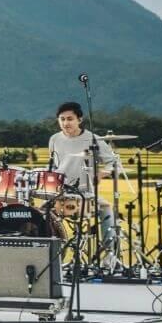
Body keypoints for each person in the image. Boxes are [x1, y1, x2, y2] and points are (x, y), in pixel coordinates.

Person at [48, 100, 124, 256]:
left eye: (70, 119)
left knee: (105, 207)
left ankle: (111, 254)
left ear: (79, 120)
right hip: (60, 192)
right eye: (62, 119)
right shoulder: (54, 139)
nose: (65, 123)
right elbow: (54, 167)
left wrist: (103, 173)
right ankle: (49, 256)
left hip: (85, 192)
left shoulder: (93, 139)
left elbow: (114, 162)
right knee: (41, 212)